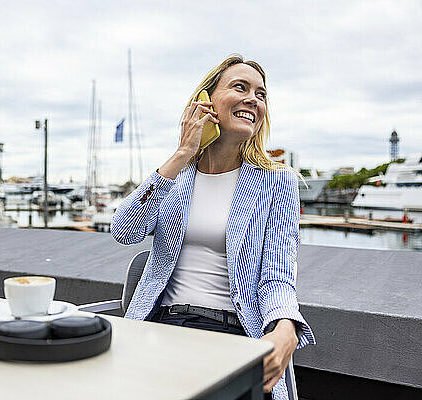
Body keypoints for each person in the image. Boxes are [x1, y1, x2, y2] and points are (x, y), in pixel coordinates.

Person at [111, 55, 315, 400]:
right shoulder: (175, 176)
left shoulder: (276, 181)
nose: (253, 99)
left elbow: (278, 274)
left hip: (231, 334)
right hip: (161, 326)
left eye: (261, 94)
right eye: (240, 87)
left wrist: (285, 323)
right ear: (205, 102)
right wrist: (182, 152)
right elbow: (125, 230)